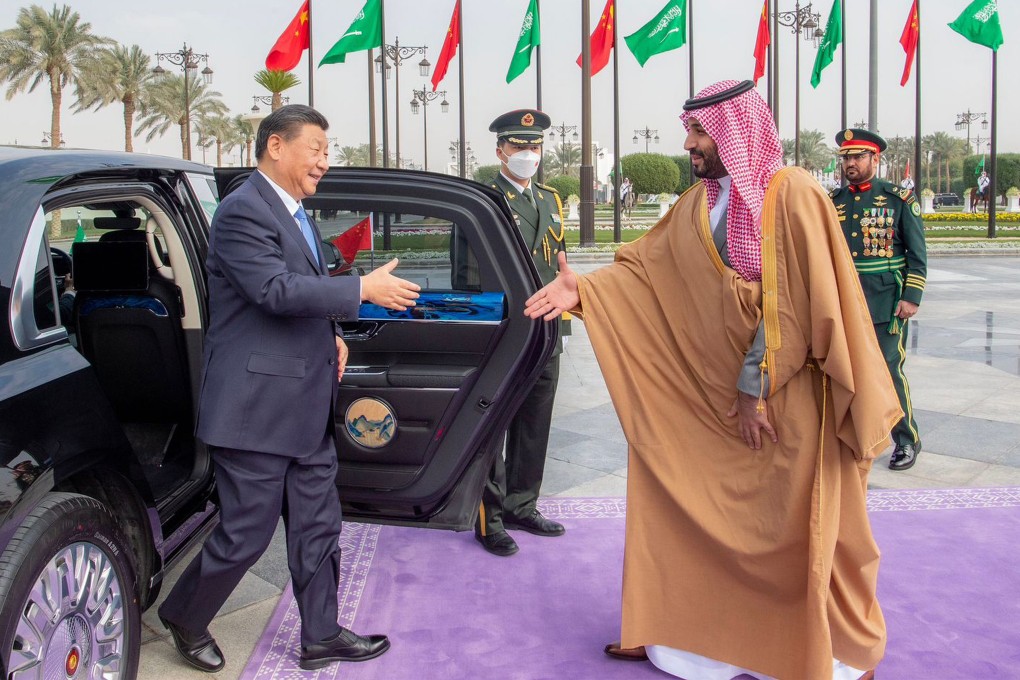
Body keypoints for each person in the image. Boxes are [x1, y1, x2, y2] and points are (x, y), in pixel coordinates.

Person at [524, 80, 900, 680]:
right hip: (719, 399)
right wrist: (585, 289)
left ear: (735, 131)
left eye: (700, 131)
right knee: (680, 490)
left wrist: (755, 386)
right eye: (690, 130)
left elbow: (797, 302)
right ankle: (697, 639)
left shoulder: (791, 193)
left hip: (785, 402)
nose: (689, 143)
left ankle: (814, 652)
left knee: (789, 528)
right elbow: (647, 271)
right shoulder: (698, 203)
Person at [157, 105, 420, 673]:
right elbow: (273, 290)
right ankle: (184, 615)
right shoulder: (242, 210)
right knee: (246, 535)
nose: (324, 162)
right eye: (315, 149)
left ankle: (320, 635)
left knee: (319, 527)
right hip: (255, 408)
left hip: (305, 404)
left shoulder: (295, 213)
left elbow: (302, 291)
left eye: (327, 151)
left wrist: (332, 336)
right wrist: (360, 289)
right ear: (276, 145)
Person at [473, 109, 569, 557]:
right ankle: (489, 519)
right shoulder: (485, 200)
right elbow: (469, 272)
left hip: (546, 330)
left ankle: (521, 506)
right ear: (500, 151)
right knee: (493, 428)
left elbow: (559, 265)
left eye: (535, 146)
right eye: (518, 146)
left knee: (535, 425)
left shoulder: (550, 200)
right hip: (505, 332)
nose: (528, 153)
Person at [830, 128, 927, 471]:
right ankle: (859, 435)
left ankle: (907, 439)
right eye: (846, 158)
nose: (850, 163)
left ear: (875, 158)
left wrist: (911, 296)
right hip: (844, 301)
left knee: (888, 370)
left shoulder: (898, 199)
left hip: (886, 300)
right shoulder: (834, 201)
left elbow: (917, 254)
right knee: (846, 371)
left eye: (858, 157)